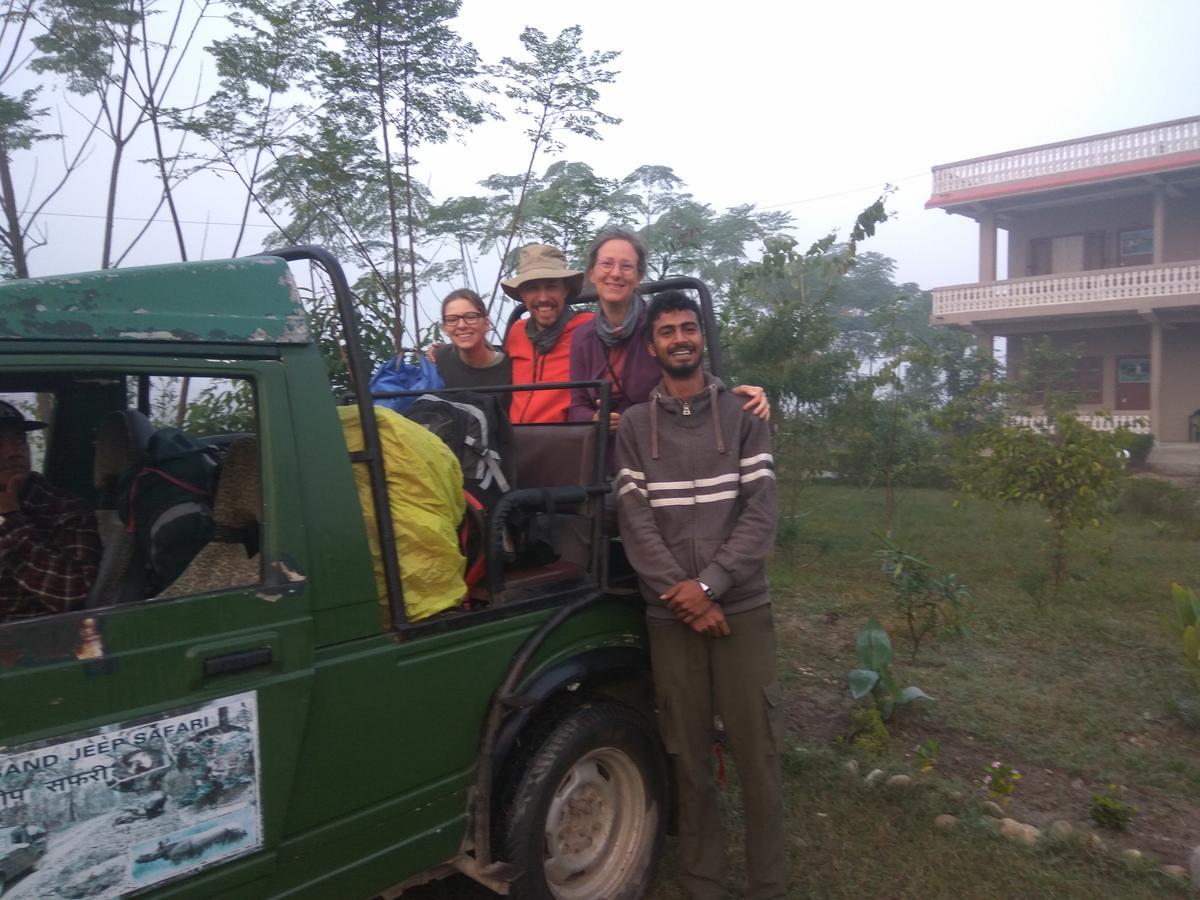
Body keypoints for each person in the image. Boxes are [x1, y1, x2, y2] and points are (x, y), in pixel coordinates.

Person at [615, 290, 785, 900]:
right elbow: (635, 522)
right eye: (667, 331)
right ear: (653, 343)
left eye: (689, 328)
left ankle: (768, 883)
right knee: (687, 758)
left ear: (702, 337)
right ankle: (702, 881)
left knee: (757, 757)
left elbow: (760, 516)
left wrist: (710, 587)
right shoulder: (634, 426)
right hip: (671, 618)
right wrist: (681, 595)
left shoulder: (744, 414)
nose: (680, 338)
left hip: (741, 610)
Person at [568, 229, 769, 455]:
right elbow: (576, 406)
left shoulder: (659, 327)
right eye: (606, 264)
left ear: (638, 276)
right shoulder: (581, 337)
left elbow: (694, 381)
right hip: (603, 457)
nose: (615, 274)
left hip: (661, 449)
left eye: (626, 266)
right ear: (592, 273)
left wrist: (735, 395)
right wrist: (595, 418)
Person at [0, 401, 101, 622]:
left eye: (19, 441)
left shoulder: (65, 509)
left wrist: (11, 518)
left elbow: (72, 592)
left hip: (29, 646)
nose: (13, 452)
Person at [501, 244, 594, 424]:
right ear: (522, 294)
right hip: (515, 440)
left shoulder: (588, 328)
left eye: (551, 286)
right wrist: (444, 353)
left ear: (565, 290)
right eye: (532, 288)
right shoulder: (516, 331)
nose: (543, 297)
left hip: (566, 439)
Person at [433, 288, 513, 410]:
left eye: (470, 317)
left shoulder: (511, 367)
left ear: (486, 323)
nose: (461, 325)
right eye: (452, 319)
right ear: (445, 328)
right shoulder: (440, 359)